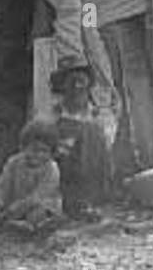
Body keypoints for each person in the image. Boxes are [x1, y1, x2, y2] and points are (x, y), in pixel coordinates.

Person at [49, 58, 114, 218]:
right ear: (62, 86)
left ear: (88, 85)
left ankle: (90, 201)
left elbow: (107, 151)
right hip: (62, 171)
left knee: (91, 131)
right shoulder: (51, 114)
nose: (77, 86)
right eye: (71, 81)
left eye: (81, 81)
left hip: (91, 173)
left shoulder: (101, 115)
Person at [0, 119, 63, 234]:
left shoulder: (52, 169)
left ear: (52, 153)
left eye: (44, 151)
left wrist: (19, 207)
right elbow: (2, 185)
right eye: (33, 149)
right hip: (12, 204)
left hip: (39, 204)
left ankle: (27, 226)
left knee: (38, 214)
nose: (37, 155)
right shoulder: (14, 162)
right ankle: (13, 223)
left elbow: (39, 195)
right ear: (23, 147)